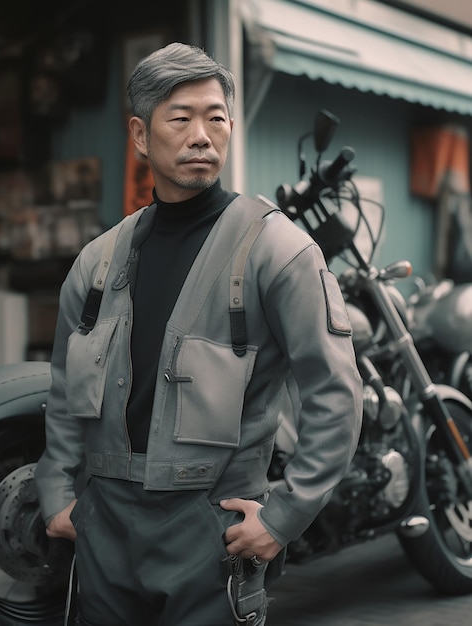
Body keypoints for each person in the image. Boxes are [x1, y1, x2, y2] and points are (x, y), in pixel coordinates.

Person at [34, 41, 362, 626]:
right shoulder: (96, 264)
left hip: (210, 527)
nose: (201, 135)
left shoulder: (276, 252)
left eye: (215, 118)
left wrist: (283, 517)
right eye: (180, 118)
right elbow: (63, 393)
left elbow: (335, 393)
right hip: (102, 524)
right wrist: (56, 492)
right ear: (141, 135)